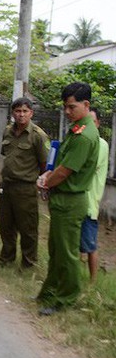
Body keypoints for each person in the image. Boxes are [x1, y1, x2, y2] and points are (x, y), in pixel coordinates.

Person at [37, 82, 99, 316]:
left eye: (71, 107)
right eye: (65, 107)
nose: (67, 111)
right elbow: (58, 166)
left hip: (71, 200)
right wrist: (48, 178)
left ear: (86, 105)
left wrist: (45, 182)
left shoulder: (84, 136)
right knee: (56, 249)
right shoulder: (75, 130)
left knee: (67, 253)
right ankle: (50, 291)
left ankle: (66, 298)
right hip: (62, 198)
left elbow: (64, 172)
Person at [0, 98, 49, 268]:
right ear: (13, 113)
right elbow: (6, 154)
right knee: (6, 225)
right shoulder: (7, 132)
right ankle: (6, 258)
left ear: (31, 113)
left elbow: (44, 164)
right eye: (18, 111)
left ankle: (28, 263)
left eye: (25, 111)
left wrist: (39, 183)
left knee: (28, 228)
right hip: (6, 185)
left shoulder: (38, 135)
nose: (21, 115)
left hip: (25, 188)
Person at [79, 107, 108, 282]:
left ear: (97, 123)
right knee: (78, 244)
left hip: (89, 204)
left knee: (90, 245)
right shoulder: (83, 141)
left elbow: (88, 166)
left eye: (91, 121)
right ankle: (77, 276)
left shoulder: (101, 144)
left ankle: (92, 281)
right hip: (77, 201)